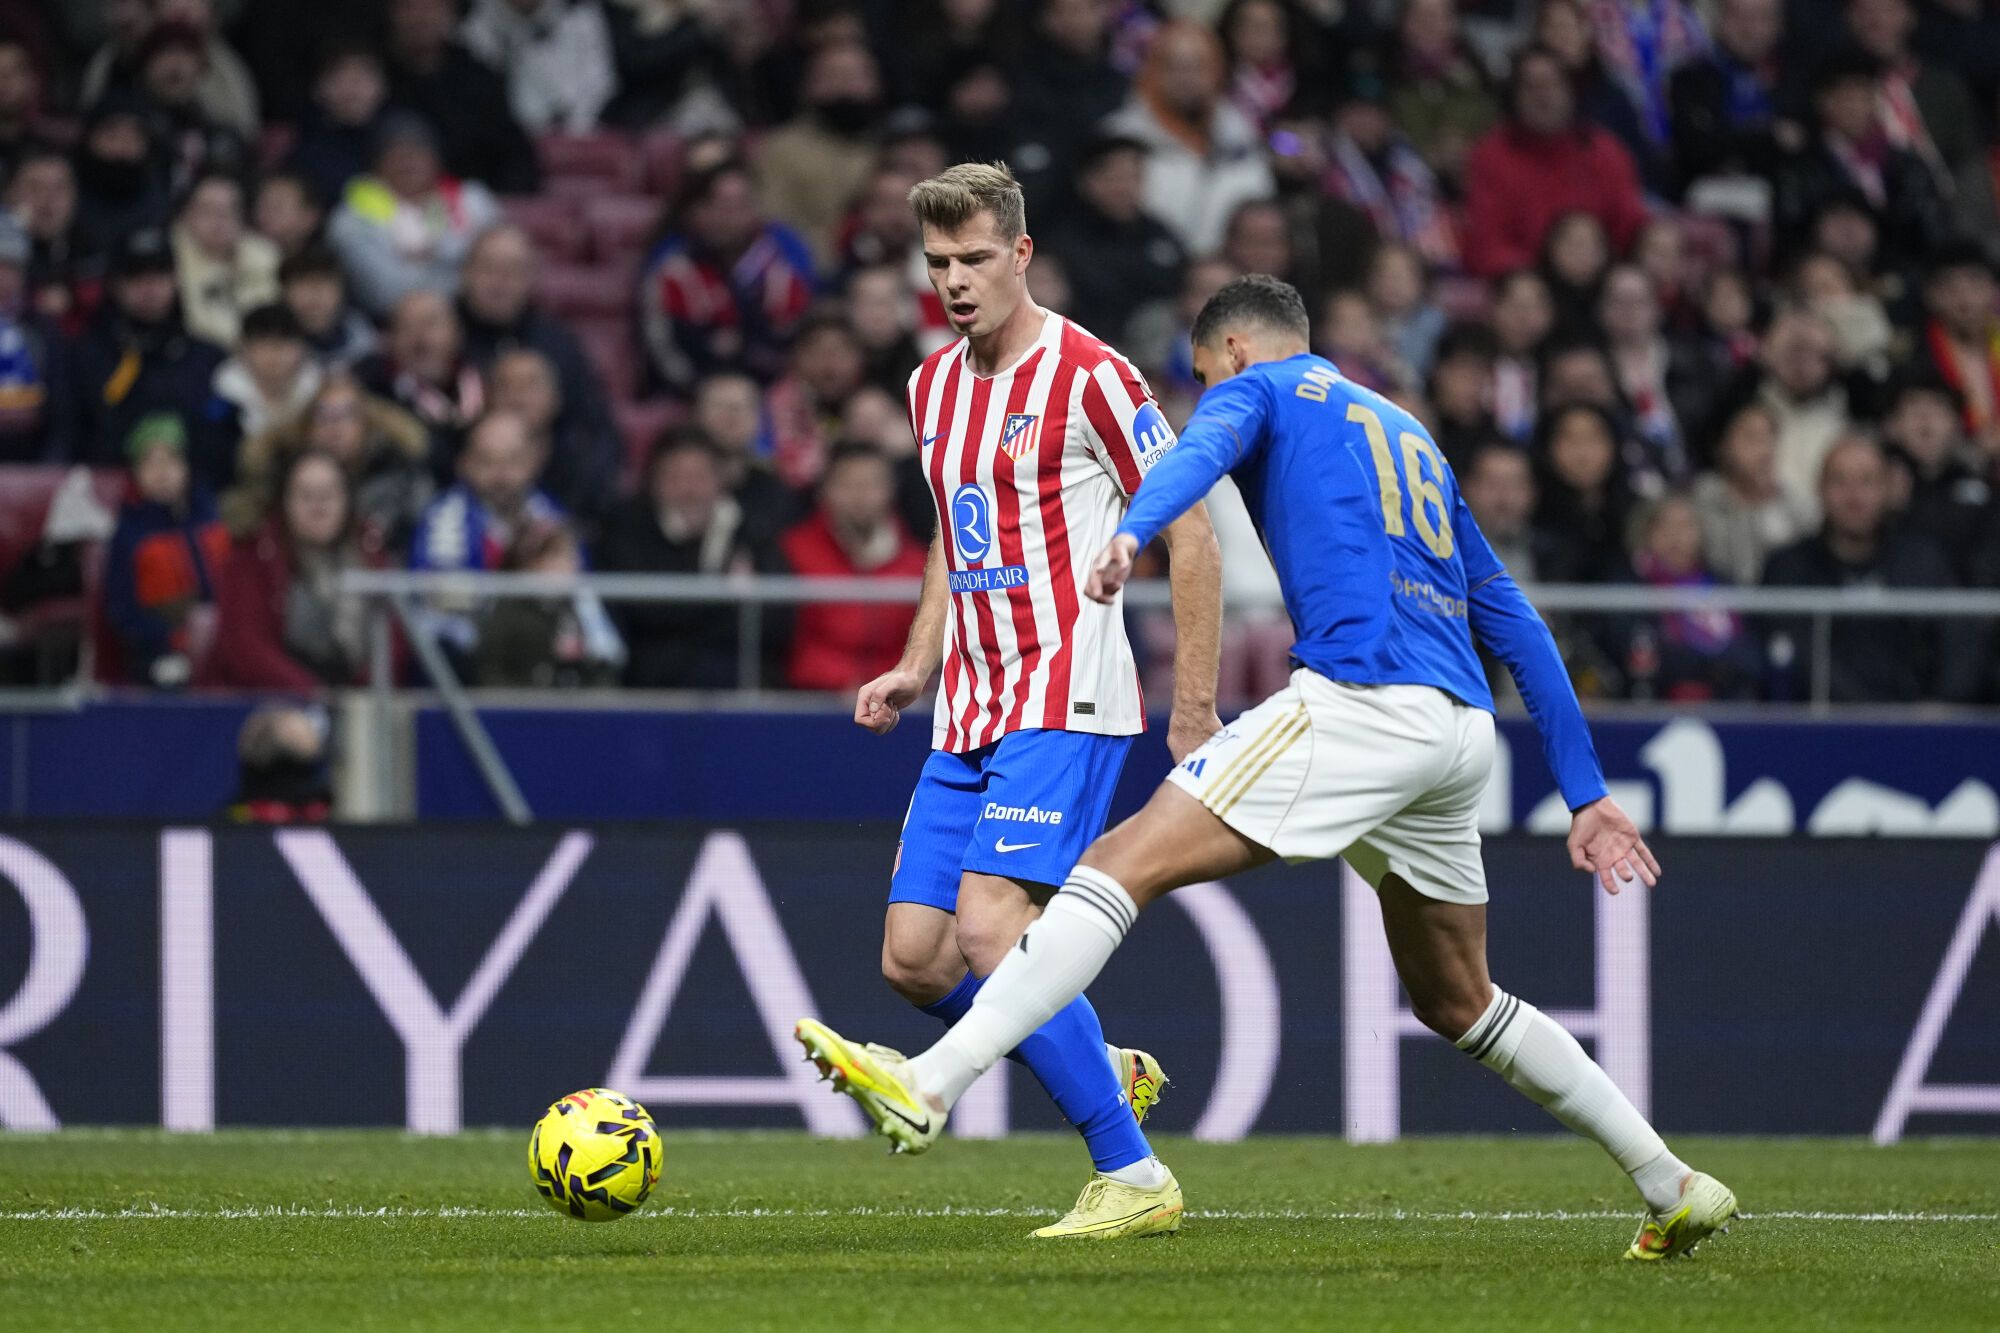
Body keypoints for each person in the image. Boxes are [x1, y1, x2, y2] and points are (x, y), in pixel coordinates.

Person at [796, 273, 1739, 1264]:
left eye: (1203, 375)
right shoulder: (1407, 435)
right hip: (1457, 730)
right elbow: (1510, 617)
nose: (1207, 393)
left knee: (1114, 865)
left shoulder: (1259, 386)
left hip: (1356, 705)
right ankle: (1668, 1180)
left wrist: (1127, 531)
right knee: (1459, 999)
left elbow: (1193, 461)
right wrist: (1583, 789)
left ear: (1233, 353)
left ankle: (937, 1085)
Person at [835, 162, 1224, 1239]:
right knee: (912, 958)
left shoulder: (1093, 375)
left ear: (1019, 255)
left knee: (988, 927)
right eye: (935, 264)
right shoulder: (930, 388)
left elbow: (1190, 528)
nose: (953, 282)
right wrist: (918, 662)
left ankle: (1131, 1170)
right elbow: (949, 534)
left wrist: (1190, 708)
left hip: (1067, 693)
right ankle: (1094, 1056)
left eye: (971, 260)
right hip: (968, 699)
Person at [1763, 434, 1983, 701]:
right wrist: (1869, 715)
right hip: (1823, 727)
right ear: (1820, 489)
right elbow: (1795, 657)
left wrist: (1942, 706)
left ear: (1887, 490)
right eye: (1840, 481)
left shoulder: (1924, 561)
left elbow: (1961, 647)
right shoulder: (1787, 567)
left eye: (1867, 481)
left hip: (1919, 727)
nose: (1854, 496)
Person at [456, 223, 618, 511]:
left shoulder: (559, 343)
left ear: (532, 278)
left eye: (514, 270)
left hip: (558, 491)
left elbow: (597, 429)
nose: (501, 280)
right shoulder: (447, 337)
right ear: (466, 272)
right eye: (489, 267)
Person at [596, 428, 774, 689]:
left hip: (737, 678)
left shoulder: (752, 532)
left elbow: (773, 621)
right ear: (653, 480)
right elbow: (643, 612)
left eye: (699, 477)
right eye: (675, 477)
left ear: (720, 479)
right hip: (650, 681)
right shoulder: (626, 530)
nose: (688, 490)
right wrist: (724, 598)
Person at [50, 227, 229, 485]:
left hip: (197, 502)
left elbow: (221, 439)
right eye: (135, 276)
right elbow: (71, 437)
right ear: (115, 284)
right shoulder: (85, 356)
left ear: (176, 280)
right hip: (107, 500)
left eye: (159, 275)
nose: (149, 288)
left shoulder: (209, 358)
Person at [1461, 46, 1647, 278]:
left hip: (1601, 288)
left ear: (1571, 90)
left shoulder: (1605, 151)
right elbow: (1484, 247)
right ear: (1514, 96)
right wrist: (1549, 274)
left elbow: (1633, 229)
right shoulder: (1490, 156)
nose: (1543, 96)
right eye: (1531, 87)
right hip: (1527, 291)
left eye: (1552, 84)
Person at [638, 160, 817, 395]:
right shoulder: (674, 274)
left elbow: (798, 341)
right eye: (724, 205)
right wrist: (703, 391)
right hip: (695, 399)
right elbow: (665, 353)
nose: (734, 216)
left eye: (743, 204)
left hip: (772, 398)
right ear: (697, 211)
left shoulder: (780, 270)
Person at [1102, 19, 1277, 255]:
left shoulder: (1242, 135)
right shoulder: (1120, 138)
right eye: (1174, 67)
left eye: (1199, 67)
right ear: (1152, 70)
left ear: (1218, 72)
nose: (1187, 78)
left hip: (1230, 274)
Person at [202, 449, 371, 691]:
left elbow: (392, 639)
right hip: (266, 703)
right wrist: (312, 695)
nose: (318, 505)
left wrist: (359, 694)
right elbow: (246, 646)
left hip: (354, 701)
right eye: (306, 495)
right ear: (284, 501)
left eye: (328, 493)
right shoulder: (254, 556)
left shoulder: (371, 553)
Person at [231, 369, 433, 556]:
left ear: (367, 424)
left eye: (347, 414)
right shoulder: (273, 484)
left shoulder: (403, 482)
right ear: (306, 428)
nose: (335, 428)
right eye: (324, 415)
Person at [778, 442, 929, 692]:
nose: (860, 494)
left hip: (899, 702)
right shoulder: (792, 552)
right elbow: (791, 643)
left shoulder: (919, 563)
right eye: (848, 484)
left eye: (872, 484)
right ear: (825, 490)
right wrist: (845, 683)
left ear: (891, 491)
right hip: (812, 700)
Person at [326, 113, 503, 319]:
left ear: (437, 158)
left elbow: (503, 270)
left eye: (418, 151)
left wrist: (419, 266)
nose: (408, 161)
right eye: (395, 153)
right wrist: (466, 273)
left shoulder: (473, 199)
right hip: (394, 326)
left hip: (480, 320)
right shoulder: (351, 218)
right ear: (376, 164)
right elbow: (386, 294)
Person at [101, 411, 231, 687]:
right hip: (159, 652)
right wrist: (163, 644)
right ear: (135, 474)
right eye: (150, 464)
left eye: (171, 461)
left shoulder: (214, 519)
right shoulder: (128, 534)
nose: (162, 473)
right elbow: (123, 610)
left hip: (225, 642)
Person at [1041, 135, 1185, 352]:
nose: (1126, 188)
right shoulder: (1060, 244)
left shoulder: (1160, 235)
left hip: (1160, 361)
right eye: (1114, 178)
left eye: (1134, 177)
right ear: (1085, 181)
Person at [383, 0, 539, 193]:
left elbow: (513, 154)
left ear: (451, 14)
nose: (420, 18)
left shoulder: (479, 77)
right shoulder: (374, 79)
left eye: (431, 8)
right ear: (393, 13)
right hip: (390, 205)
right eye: (410, 7)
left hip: (471, 203)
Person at [755, 41, 886, 266]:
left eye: (856, 76)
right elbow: (774, 225)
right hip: (813, 272)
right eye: (833, 76)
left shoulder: (892, 147)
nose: (846, 87)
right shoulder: (781, 151)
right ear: (809, 85)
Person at [1689, 400, 1814, 585]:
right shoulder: (1698, 504)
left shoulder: (1797, 507)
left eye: (1770, 438)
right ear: (1722, 446)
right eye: (1751, 438)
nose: (1765, 450)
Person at [459, 0, 617, 134]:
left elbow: (601, 87)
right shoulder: (472, 31)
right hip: (504, 148)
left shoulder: (582, 16)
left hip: (581, 141)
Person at [171, 172, 281, 350]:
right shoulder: (170, 258)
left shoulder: (266, 255)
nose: (219, 221)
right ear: (186, 214)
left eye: (229, 211)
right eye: (207, 210)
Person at [9, 150, 104, 337]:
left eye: (59, 188)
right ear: (10, 193)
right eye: (35, 188)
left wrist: (73, 299)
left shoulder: (92, 249)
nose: (48, 199)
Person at [285, 42, 390, 206]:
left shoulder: (406, 141)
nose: (352, 86)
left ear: (382, 87)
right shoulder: (303, 154)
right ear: (318, 89)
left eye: (362, 75)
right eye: (340, 76)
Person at [212, 301, 321, 445]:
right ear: (242, 349)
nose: (274, 353)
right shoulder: (220, 403)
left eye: (284, 342)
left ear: (302, 349)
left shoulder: (318, 393)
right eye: (263, 342)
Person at [0, 212, 62, 462]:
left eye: (11, 266)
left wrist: (48, 471)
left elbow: (61, 414)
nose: (3, 277)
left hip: (32, 468)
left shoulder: (43, 330)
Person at [279, 246, 376, 368]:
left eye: (322, 285)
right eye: (302, 285)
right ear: (284, 294)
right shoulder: (271, 346)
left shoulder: (364, 340)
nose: (313, 296)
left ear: (341, 291)